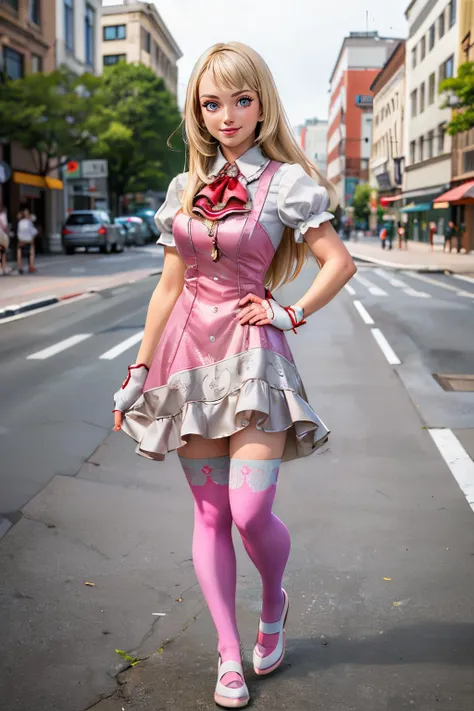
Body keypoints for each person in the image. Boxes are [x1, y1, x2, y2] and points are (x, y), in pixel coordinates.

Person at [112, 42, 356, 709]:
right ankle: (227, 652)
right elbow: (168, 288)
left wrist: (290, 311)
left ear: (260, 105)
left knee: (250, 511)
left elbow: (339, 261)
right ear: (198, 109)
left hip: (253, 358)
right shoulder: (182, 189)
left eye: (241, 101)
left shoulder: (288, 183)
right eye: (212, 102)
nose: (227, 115)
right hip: (188, 361)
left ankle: (273, 600)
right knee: (211, 512)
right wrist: (138, 370)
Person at [16, 208, 38, 274]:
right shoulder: (29, 222)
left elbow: (18, 232)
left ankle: (20, 267)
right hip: (28, 240)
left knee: (19, 252)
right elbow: (33, 231)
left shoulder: (20, 222)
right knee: (31, 252)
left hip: (21, 240)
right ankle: (31, 266)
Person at [0, 205, 10, 275]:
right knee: (3, 253)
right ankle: (3, 269)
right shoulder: (3, 216)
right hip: (1, 236)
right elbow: (5, 228)